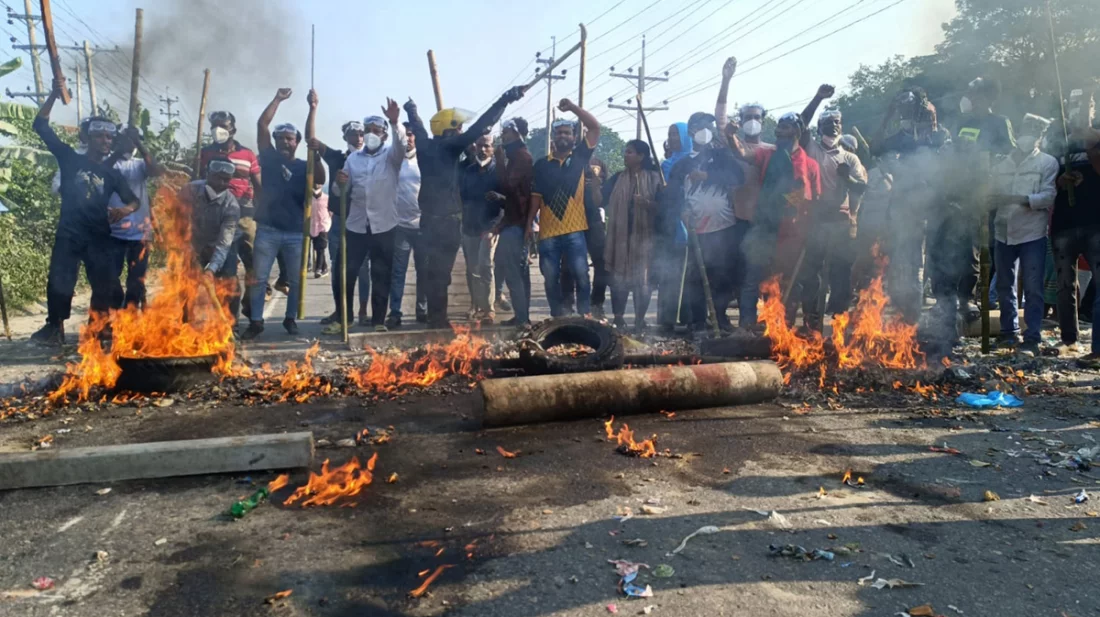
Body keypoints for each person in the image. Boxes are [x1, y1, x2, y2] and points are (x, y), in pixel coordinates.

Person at [404, 86, 525, 329]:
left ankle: (435, 317)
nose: (460, 131)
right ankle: (438, 319)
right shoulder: (450, 147)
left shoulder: (425, 145)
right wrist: (505, 99)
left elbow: (417, 126)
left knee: (432, 272)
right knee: (442, 273)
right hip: (447, 222)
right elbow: (481, 125)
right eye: (457, 127)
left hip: (427, 221)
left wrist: (411, 109)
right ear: (449, 130)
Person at [30, 80, 140, 345]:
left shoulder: (112, 174)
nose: (106, 141)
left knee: (109, 285)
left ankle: (102, 327)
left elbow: (133, 201)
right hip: (69, 233)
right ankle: (54, 327)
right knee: (60, 281)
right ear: (87, 137)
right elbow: (40, 126)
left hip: (99, 236)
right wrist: (54, 96)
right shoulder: (69, 158)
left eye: (110, 138)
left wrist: (124, 210)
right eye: (100, 136)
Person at [241, 88, 326, 340]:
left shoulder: (305, 166)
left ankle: (290, 319)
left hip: (296, 233)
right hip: (267, 229)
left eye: (290, 138)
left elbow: (320, 179)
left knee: (296, 282)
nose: (285, 142)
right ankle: (256, 322)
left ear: (297, 142)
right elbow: (262, 125)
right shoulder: (267, 158)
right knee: (259, 279)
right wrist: (277, 99)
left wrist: (313, 110)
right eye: (281, 138)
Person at [325, 100, 406, 334]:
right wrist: (339, 184)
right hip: (356, 225)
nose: (371, 135)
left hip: (384, 226)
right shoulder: (353, 159)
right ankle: (344, 317)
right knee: (345, 272)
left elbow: (401, 145)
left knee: (381, 274)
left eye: (376, 131)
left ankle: (378, 320)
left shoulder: (391, 157)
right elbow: (341, 192)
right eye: (367, 131)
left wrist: (394, 122)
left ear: (383, 135)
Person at [739, 112, 822, 329]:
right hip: (764, 228)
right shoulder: (767, 155)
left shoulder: (810, 164)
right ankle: (748, 327)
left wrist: (808, 228)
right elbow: (741, 153)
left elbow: (812, 201)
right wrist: (730, 137)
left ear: (796, 130)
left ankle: (783, 330)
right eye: (778, 127)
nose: (778, 131)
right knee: (754, 278)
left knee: (789, 282)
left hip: (792, 234)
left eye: (784, 127)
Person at [796, 92, 869, 332]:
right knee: (812, 271)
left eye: (837, 122)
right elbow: (801, 123)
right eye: (827, 122)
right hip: (816, 219)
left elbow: (863, 187)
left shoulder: (850, 157)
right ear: (820, 127)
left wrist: (846, 178)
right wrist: (817, 98)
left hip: (841, 220)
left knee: (841, 273)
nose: (833, 126)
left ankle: (839, 320)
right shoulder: (811, 149)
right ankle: (812, 319)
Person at [989, 113, 1058, 355]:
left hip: (1032, 233)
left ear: (1040, 137)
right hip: (1003, 231)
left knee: (1033, 287)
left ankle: (1032, 337)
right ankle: (1009, 333)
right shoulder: (1000, 165)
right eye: (1026, 131)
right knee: (1005, 286)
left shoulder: (1047, 163)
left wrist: (1021, 200)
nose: (1029, 137)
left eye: (1035, 133)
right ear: (1017, 134)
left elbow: (1049, 197)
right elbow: (991, 195)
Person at [529, 99, 602, 317]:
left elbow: (595, 127)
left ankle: (585, 316)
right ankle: (557, 316)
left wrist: (572, 108)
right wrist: (527, 225)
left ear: (573, 138)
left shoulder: (579, 157)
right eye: (558, 133)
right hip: (548, 233)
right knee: (551, 277)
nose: (562, 136)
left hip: (575, 231)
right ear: (553, 138)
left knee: (581, 274)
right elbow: (535, 197)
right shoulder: (542, 164)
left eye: (567, 133)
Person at [1052, 87, 1100, 367]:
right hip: (1064, 225)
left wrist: (1092, 146)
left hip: (1095, 223)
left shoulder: (1096, 138)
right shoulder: (1060, 143)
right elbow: (1049, 181)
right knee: (1064, 286)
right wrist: (1062, 182)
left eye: (1085, 106)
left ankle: (1097, 347)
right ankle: (1069, 340)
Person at [199, 110, 262, 319]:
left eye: (223, 126)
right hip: (216, 217)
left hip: (245, 216)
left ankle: (251, 308)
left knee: (254, 265)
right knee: (226, 271)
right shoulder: (206, 153)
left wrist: (262, 213)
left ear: (232, 129)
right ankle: (225, 317)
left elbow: (258, 184)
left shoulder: (247, 155)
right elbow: (199, 182)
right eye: (214, 126)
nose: (218, 130)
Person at [309, 119, 372, 326]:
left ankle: (363, 310)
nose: (359, 138)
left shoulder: (371, 157)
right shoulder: (338, 157)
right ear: (345, 137)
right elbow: (313, 140)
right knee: (339, 267)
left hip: (362, 218)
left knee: (362, 267)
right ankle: (343, 311)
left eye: (362, 134)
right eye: (354, 134)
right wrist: (313, 108)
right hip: (341, 220)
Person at [603, 140, 662, 330]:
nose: (625, 155)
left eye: (629, 152)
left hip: (644, 238)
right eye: (625, 152)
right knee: (618, 279)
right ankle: (618, 317)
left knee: (642, 281)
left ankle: (639, 319)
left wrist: (646, 203)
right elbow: (600, 199)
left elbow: (663, 209)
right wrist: (595, 185)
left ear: (641, 156)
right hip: (619, 236)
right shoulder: (617, 178)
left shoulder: (655, 178)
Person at [107, 126, 165, 310]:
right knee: (110, 278)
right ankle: (116, 309)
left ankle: (130, 319)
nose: (129, 144)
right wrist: (118, 150)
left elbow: (156, 170)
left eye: (134, 140)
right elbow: (101, 170)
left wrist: (138, 143)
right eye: (126, 139)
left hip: (139, 232)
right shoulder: (109, 163)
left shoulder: (140, 164)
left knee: (136, 280)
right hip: (112, 231)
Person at [179, 158, 242, 316]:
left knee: (230, 283)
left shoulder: (232, 206)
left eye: (225, 179)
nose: (220, 183)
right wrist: (187, 247)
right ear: (208, 174)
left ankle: (231, 326)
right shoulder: (189, 191)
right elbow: (178, 220)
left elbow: (224, 243)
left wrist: (211, 269)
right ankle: (186, 323)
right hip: (194, 243)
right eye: (217, 177)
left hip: (219, 244)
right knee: (186, 283)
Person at [493, 117, 534, 326]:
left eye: (507, 131)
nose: (503, 135)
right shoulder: (516, 155)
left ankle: (522, 317)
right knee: (510, 267)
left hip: (518, 225)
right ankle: (521, 315)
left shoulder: (521, 157)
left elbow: (508, 186)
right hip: (513, 223)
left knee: (514, 271)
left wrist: (499, 161)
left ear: (516, 133)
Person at [458, 133, 503, 323]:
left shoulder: (500, 171)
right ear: (474, 147)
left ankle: (489, 308)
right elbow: (460, 197)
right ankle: (474, 305)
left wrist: (499, 198)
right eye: (480, 145)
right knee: (472, 269)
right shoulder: (467, 171)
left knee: (485, 265)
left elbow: (508, 199)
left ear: (493, 148)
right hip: (469, 225)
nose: (483, 149)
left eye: (487, 146)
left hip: (490, 226)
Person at [386, 124, 425, 328]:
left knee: (423, 270)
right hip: (399, 225)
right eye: (405, 135)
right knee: (398, 271)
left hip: (421, 225)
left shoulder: (424, 160)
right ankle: (395, 311)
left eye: (411, 135)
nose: (408, 139)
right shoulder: (393, 160)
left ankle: (422, 309)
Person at [655, 122, 694, 331]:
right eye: (670, 134)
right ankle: (667, 319)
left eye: (675, 134)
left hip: (692, 224)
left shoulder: (694, 162)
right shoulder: (666, 165)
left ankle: (689, 319)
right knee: (669, 274)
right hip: (671, 225)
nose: (671, 138)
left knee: (690, 276)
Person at [561, 157, 609, 317]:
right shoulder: (569, 162)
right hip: (572, 219)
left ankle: (596, 303)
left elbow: (600, 198)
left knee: (601, 263)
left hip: (594, 219)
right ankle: (567, 304)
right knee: (568, 264)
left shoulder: (597, 162)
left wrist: (594, 183)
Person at [310, 186, 330, 278]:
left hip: (323, 226)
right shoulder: (308, 199)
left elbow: (330, 212)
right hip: (311, 226)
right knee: (316, 248)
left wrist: (326, 222)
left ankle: (318, 269)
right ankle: (324, 268)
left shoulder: (326, 198)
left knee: (320, 248)